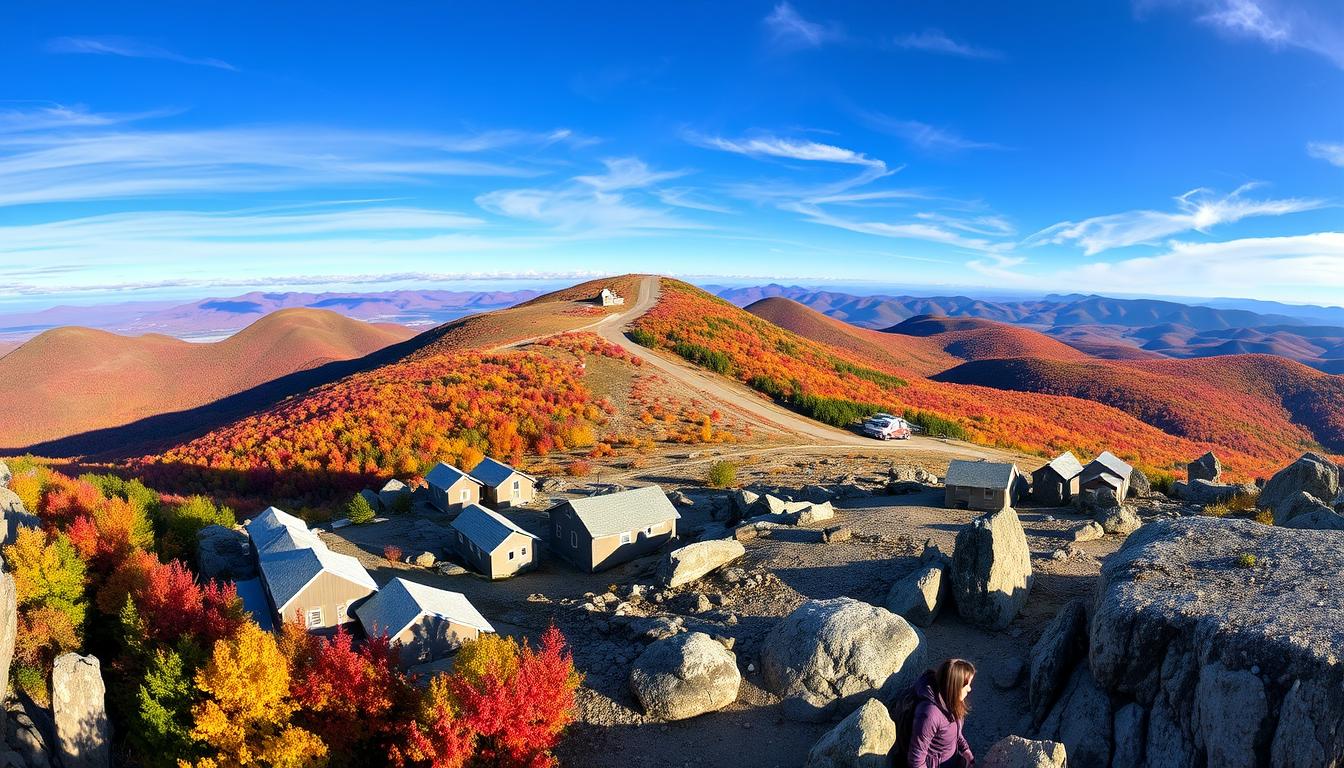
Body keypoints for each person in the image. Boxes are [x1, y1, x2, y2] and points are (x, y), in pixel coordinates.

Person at [905, 658, 976, 768]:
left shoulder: (953, 701)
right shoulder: (930, 714)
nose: (970, 689)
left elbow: (956, 732)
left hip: (951, 760)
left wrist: (965, 750)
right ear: (955, 687)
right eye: (966, 685)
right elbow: (916, 759)